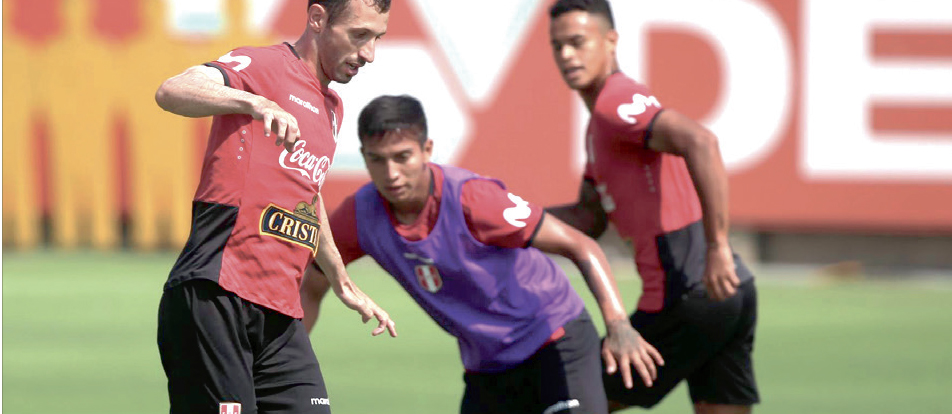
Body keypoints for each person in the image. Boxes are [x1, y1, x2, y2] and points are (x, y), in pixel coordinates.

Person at [300, 95, 664, 414]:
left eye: (402, 157)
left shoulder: (474, 199)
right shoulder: (360, 215)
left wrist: (618, 325)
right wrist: (289, 359)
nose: (391, 173)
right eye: (377, 160)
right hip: (487, 367)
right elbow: (312, 283)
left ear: (427, 150)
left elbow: (581, 245)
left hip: (554, 339)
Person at [153, 1, 395, 413]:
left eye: (377, 38)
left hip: (280, 314)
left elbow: (306, 193)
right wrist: (254, 102)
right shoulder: (264, 66)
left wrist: (340, 279)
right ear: (317, 19)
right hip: (216, 295)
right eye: (359, 35)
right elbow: (172, 90)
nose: (369, 53)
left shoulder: (332, 109)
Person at [545, 1, 760, 413]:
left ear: (611, 41)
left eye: (577, 42)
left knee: (566, 401)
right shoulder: (598, 127)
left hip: (688, 293)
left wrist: (717, 245)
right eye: (558, 46)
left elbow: (701, 142)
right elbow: (588, 217)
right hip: (731, 290)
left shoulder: (615, 100)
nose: (567, 55)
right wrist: (509, 221)